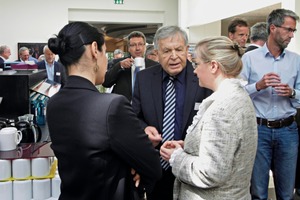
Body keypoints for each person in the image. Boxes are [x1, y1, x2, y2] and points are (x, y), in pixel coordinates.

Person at [46, 21, 162, 200]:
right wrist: (135, 163)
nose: (106, 59)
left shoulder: (53, 104)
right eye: (104, 51)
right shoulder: (111, 106)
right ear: (94, 49)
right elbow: (153, 166)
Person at [160, 36, 258, 200]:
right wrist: (188, 147)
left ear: (213, 66)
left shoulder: (222, 108)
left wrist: (176, 157)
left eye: (197, 64)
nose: (194, 70)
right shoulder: (237, 96)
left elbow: (210, 173)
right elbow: (227, 150)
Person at [131, 25, 212, 200]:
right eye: (167, 51)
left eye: (179, 49)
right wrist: (144, 129)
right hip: (155, 168)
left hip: (192, 169)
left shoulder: (202, 77)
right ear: (157, 53)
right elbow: (135, 117)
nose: (174, 56)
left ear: (187, 50)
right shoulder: (144, 78)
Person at [241, 8, 300, 200]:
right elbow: (237, 94)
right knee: (258, 191)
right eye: (288, 30)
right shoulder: (249, 59)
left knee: (286, 193)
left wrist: (291, 92)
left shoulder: (296, 61)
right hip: (258, 130)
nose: (291, 35)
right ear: (273, 28)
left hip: (288, 131)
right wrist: (258, 86)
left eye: (293, 31)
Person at [102, 31, 158, 102]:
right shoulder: (118, 63)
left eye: (140, 44)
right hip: (123, 109)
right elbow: (106, 83)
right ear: (128, 48)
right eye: (133, 45)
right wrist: (119, 66)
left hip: (146, 110)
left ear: (144, 47)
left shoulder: (154, 66)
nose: (137, 48)